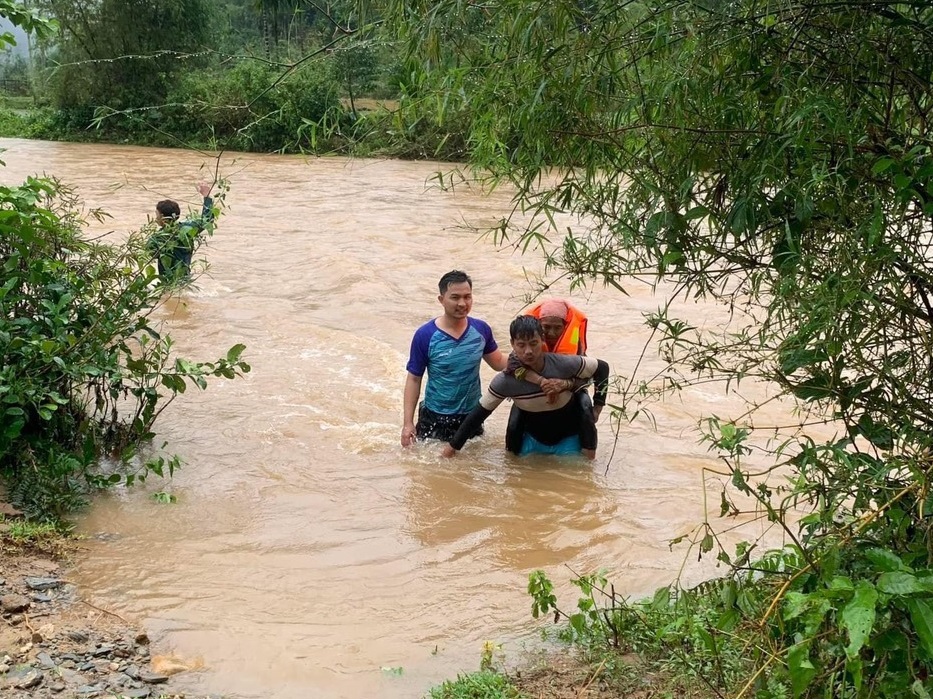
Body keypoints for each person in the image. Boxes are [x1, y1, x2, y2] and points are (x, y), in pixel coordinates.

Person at [442, 315, 610, 459]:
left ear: (542, 340)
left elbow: (602, 368)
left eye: (534, 343)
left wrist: (598, 407)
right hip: (530, 441)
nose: (528, 351)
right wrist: (452, 449)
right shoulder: (505, 381)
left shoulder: (563, 364)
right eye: (521, 345)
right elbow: (478, 415)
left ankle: (589, 455)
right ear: (512, 344)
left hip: (569, 440)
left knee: (583, 403)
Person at [401, 270, 508, 446]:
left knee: (469, 468)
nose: (462, 303)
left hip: (472, 415)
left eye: (467, 297)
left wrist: (533, 357)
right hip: (435, 416)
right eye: (455, 297)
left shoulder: (481, 330)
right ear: (441, 300)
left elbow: (498, 363)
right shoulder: (425, 335)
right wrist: (408, 424)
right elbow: (413, 379)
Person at [504, 298, 596, 454]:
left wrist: (565, 384)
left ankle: (589, 456)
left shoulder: (576, 345)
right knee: (515, 415)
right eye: (546, 327)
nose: (551, 333)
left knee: (585, 403)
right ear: (539, 327)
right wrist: (542, 382)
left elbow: (589, 377)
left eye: (557, 328)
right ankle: (510, 457)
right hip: (533, 394)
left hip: (568, 396)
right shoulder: (528, 343)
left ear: (565, 327)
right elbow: (512, 367)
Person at [146, 182, 215, 282]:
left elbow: (148, 254)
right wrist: (207, 197)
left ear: (164, 219)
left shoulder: (157, 238)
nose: (155, 219)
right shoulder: (187, 229)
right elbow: (207, 220)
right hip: (185, 281)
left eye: (157, 216)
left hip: (167, 284)